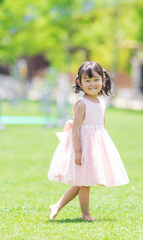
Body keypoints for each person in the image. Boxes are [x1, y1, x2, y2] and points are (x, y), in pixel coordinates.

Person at [47, 61, 129, 221]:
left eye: (96, 80)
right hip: (84, 146)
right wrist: (78, 151)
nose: (92, 84)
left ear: (103, 79)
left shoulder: (101, 103)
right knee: (84, 183)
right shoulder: (81, 104)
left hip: (96, 147)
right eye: (87, 81)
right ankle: (86, 214)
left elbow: (101, 127)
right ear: (79, 82)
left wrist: (105, 149)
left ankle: (57, 205)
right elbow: (76, 129)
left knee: (82, 182)